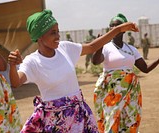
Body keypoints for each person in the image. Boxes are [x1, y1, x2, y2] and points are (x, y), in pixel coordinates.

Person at [8, 9, 138, 133]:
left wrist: (118, 30)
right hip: (56, 122)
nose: (58, 36)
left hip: (80, 115)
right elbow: (16, 82)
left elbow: (92, 46)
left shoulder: (65, 48)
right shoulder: (33, 61)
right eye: (53, 32)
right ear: (40, 36)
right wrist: (13, 65)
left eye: (58, 31)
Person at [92, 13, 159, 133]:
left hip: (131, 90)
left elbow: (145, 68)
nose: (113, 28)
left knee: (130, 120)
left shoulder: (131, 49)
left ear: (124, 29)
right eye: (111, 26)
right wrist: (99, 46)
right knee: (112, 120)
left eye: (117, 25)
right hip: (112, 92)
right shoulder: (106, 47)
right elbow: (96, 61)